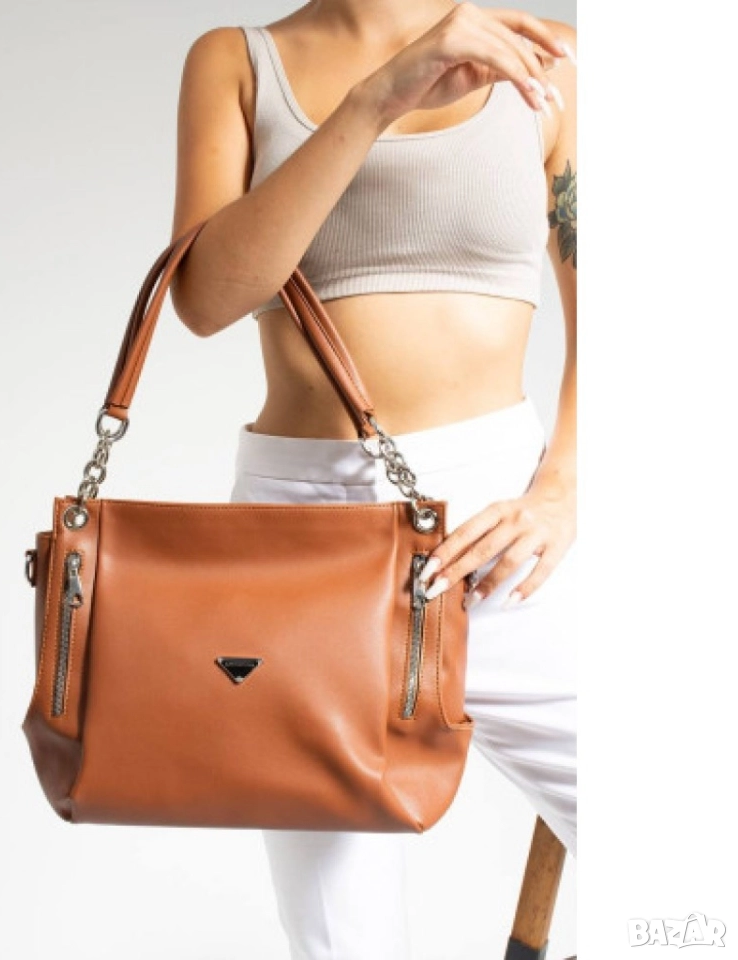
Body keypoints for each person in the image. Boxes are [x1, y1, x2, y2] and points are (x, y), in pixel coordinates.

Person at [169, 1, 577, 956]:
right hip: (296, 540)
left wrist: (564, 487)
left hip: (498, 529)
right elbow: (207, 298)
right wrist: (375, 100)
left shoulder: (550, 63)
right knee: (340, 938)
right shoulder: (238, 62)